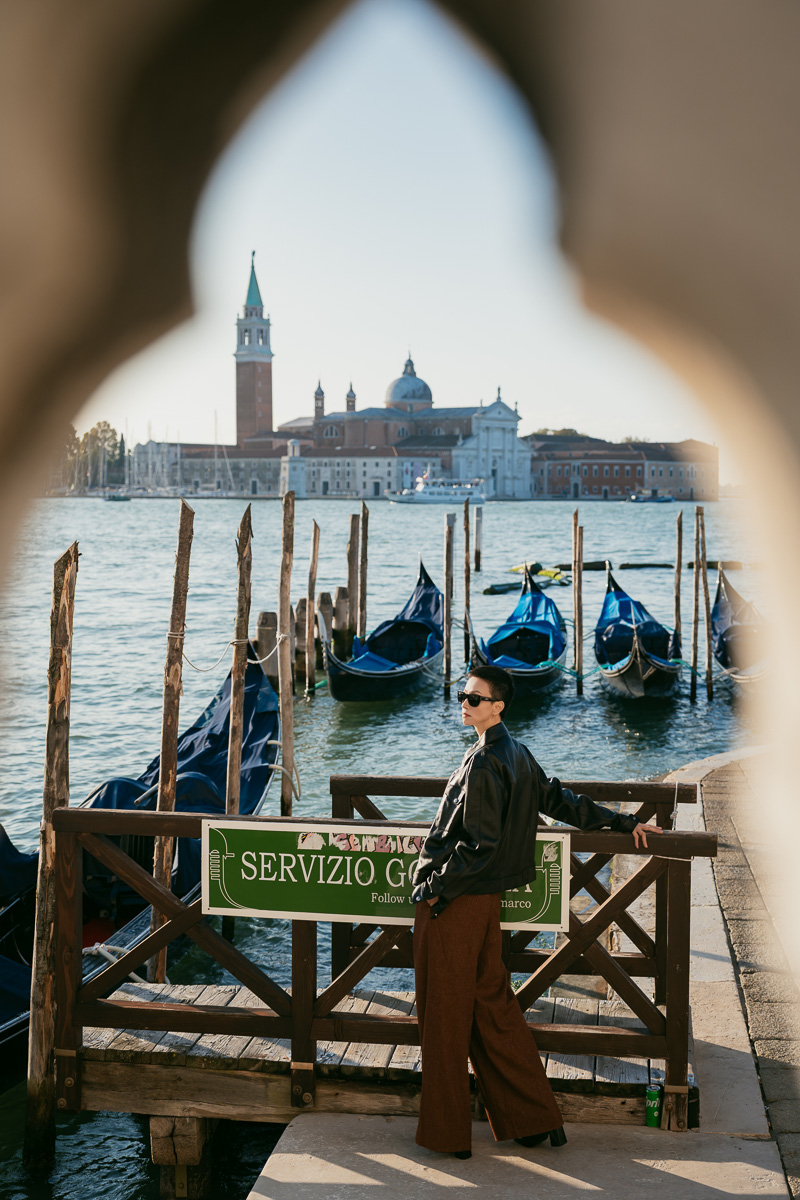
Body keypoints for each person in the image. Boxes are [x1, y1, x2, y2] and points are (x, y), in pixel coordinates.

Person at [410, 664, 661, 1159]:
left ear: (498, 706)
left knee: (443, 1018)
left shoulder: (486, 761)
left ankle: (447, 1135)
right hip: (485, 905)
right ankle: (534, 1119)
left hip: (456, 904)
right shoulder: (517, 753)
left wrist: (435, 889)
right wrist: (620, 821)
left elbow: (479, 845)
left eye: (475, 698)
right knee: (494, 1010)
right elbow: (560, 800)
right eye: (463, 695)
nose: (465, 702)